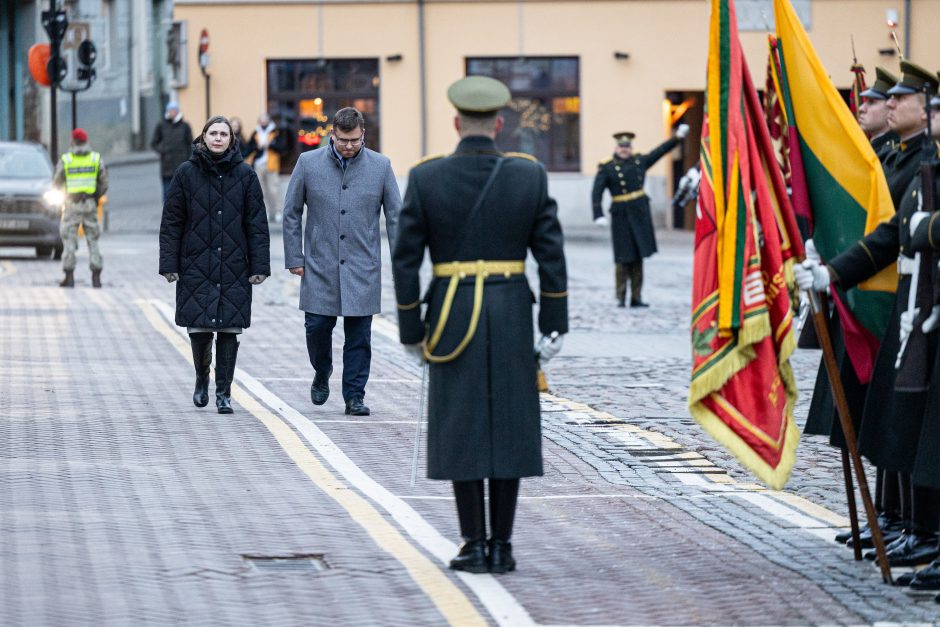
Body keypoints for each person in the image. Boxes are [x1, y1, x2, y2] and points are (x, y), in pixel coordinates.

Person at [392, 76, 567, 574]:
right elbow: (551, 255)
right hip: (512, 310)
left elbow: (405, 261)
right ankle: (503, 546)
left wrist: (410, 329)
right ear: (499, 124)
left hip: (451, 312)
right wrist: (554, 323)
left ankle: (473, 543)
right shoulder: (529, 175)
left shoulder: (426, 177)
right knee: (509, 425)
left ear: (455, 123)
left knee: (461, 425)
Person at [795, 60, 940, 569]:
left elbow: (902, 234)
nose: (886, 104)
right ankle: (904, 521)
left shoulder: (926, 159)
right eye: (888, 98)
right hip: (904, 299)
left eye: (901, 99)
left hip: (918, 300)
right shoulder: (904, 159)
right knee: (898, 414)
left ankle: (921, 527)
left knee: (917, 418)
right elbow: (885, 234)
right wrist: (832, 271)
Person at [801, 64, 906, 549]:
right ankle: (890, 514)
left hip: (889, 298)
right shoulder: (882, 157)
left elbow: (891, 232)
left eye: (872, 102)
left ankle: (908, 520)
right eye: (864, 102)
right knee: (878, 414)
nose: (863, 108)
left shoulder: (901, 160)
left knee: (898, 416)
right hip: (859, 292)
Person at [282, 107, 401, 416]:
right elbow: (292, 212)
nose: (349, 146)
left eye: (355, 140)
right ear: (332, 134)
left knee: (359, 337)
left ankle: (354, 396)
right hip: (320, 265)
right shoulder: (308, 164)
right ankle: (322, 371)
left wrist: (402, 262)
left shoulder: (381, 166)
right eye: (343, 140)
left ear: (363, 136)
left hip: (363, 266)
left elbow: (397, 218)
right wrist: (295, 256)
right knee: (317, 327)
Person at [158, 115, 271, 414]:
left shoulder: (246, 176)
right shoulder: (185, 174)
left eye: (224, 134)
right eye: (213, 133)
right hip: (196, 262)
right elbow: (172, 222)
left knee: (230, 330)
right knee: (199, 329)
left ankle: (224, 392)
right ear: (203, 137)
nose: (219, 138)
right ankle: (200, 378)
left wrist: (259, 266)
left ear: (231, 140)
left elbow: (257, 223)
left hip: (234, 264)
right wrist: (169, 264)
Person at [592, 124, 688, 308]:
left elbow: (659, 152)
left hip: (639, 213)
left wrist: (677, 138)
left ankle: (636, 297)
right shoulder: (607, 167)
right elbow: (596, 191)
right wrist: (598, 214)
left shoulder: (639, 162)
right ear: (616, 148)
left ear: (631, 148)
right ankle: (620, 296)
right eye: (621, 146)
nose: (624, 149)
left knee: (638, 256)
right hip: (620, 213)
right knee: (622, 257)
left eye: (627, 147)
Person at [54, 127, 108, 288]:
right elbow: (104, 182)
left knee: (69, 239)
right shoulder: (95, 158)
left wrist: (65, 194)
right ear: (86, 141)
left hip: (71, 205)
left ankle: (69, 277)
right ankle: (96, 277)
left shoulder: (66, 159)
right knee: (93, 239)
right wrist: (96, 197)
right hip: (90, 204)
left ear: (73, 141)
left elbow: (57, 181)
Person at [246, 113, 286, 222]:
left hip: (271, 165)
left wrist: (270, 145)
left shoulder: (276, 132)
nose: (263, 122)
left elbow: (282, 147)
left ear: (268, 121)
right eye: (261, 120)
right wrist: (257, 147)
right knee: (261, 191)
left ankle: (277, 211)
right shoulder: (256, 132)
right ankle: (266, 212)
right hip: (258, 164)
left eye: (265, 120)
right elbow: (249, 148)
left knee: (273, 190)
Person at [151, 101, 193, 202]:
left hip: (182, 165)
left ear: (177, 111)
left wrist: (189, 159)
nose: (172, 112)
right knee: (167, 194)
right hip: (167, 167)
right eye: (170, 110)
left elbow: (190, 144)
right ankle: (168, 215)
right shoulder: (161, 125)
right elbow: (154, 143)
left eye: (174, 110)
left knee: (183, 193)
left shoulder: (185, 126)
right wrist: (163, 151)